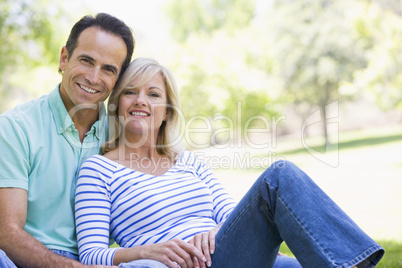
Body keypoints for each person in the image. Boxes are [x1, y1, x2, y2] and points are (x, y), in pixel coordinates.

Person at [75, 57, 384, 268]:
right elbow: (90, 255)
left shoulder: (188, 162)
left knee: (282, 180)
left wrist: (216, 231)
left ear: (167, 111)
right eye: (130, 92)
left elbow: (231, 214)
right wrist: (150, 252)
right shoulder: (99, 170)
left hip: (228, 255)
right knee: (278, 179)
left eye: (153, 94)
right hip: (167, 265)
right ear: (118, 105)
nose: (141, 100)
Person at [0, 13, 135, 268]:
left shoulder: (124, 138)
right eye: (86, 61)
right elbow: (7, 233)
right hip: (23, 261)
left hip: (98, 260)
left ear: (118, 80)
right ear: (64, 58)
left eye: (108, 69)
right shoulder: (16, 128)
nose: (94, 78)